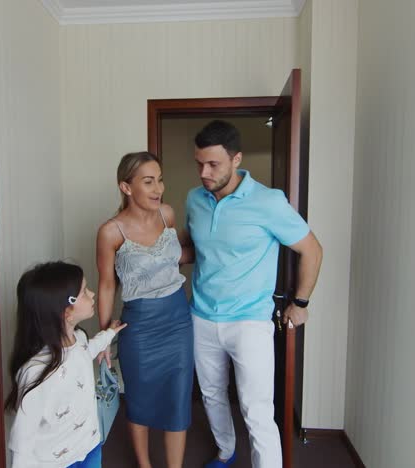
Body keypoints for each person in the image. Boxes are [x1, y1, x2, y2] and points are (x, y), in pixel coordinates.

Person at [182, 120, 323, 468]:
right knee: (212, 395)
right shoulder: (194, 199)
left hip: (249, 321)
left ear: (236, 159)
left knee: (257, 410)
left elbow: (312, 250)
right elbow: (194, 247)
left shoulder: (269, 202)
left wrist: (300, 302)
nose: (204, 172)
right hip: (201, 315)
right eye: (199, 163)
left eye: (213, 164)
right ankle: (226, 452)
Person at [96, 152, 194, 468]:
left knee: (178, 398)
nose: (158, 189)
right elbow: (107, 285)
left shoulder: (168, 215)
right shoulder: (111, 231)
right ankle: (145, 465)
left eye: (160, 180)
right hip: (138, 325)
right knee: (139, 399)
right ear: (126, 187)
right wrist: (104, 337)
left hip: (178, 319)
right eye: (148, 181)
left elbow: (177, 255)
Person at [5, 261, 126, 468]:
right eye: (84, 292)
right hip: (56, 462)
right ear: (66, 312)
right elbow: (22, 441)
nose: (92, 294)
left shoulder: (78, 339)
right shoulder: (36, 372)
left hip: (89, 446)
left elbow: (87, 351)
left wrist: (109, 334)